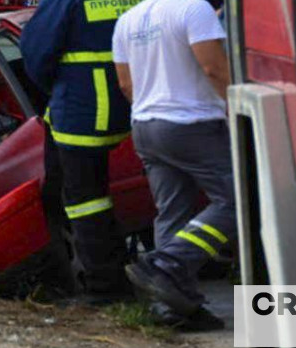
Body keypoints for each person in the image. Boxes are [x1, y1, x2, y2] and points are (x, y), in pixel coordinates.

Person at [112, 0, 235, 330]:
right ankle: (167, 264)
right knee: (236, 202)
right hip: (192, 124)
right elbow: (214, 69)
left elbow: (125, 84)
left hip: (146, 125)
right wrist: (236, 111)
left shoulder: (128, 20)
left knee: (172, 212)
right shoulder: (194, 9)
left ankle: (174, 309)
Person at [20, 0, 139, 303]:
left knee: (84, 201)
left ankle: (107, 288)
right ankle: (116, 271)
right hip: (131, 101)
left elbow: (36, 52)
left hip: (81, 108)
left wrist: (57, 90)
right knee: (86, 195)